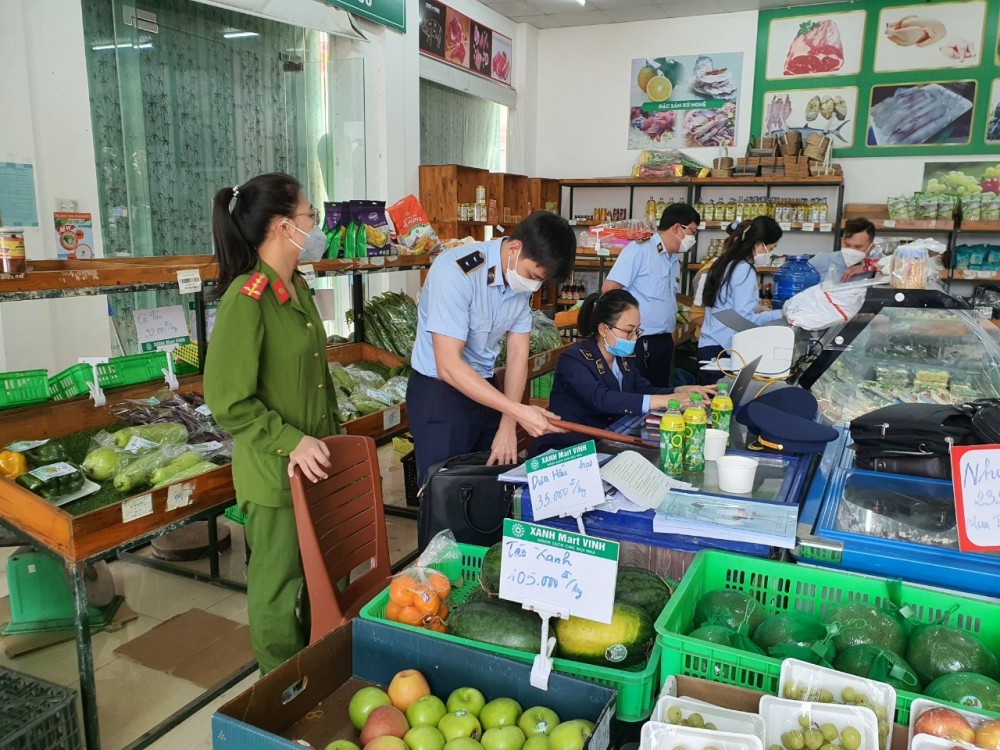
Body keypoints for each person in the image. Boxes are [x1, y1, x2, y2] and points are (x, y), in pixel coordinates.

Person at [204, 173, 339, 675]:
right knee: (277, 590)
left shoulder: (295, 287)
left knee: (314, 580)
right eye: (310, 216)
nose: (315, 225)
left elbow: (316, 380)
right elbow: (227, 401)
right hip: (274, 474)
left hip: (313, 466)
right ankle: (280, 691)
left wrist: (333, 443)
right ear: (284, 226)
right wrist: (292, 440)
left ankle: (311, 674)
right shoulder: (248, 298)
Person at [407, 212, 576, 483]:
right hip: (440, 395)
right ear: (514, 249)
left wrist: (508, 424)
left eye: (541, 281)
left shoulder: (519, 281)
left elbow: (519, 355)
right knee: (443, 495)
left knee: (484, 488)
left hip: (486, 391)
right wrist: (518, 411)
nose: (534, 286)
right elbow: (448, 365)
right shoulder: (456, 271)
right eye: (533, 275)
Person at [530, 290, 714, 457]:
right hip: (569, 448)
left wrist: (681, 390)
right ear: (603, 329)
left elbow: (645, 390)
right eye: (628, 331)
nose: (635, 338)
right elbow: (601, 399)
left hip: (606, 442)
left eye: (637, 331)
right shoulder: (574, 358)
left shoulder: (622, 359)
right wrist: (663, 400)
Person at [601, 203, 701, 388]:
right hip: (638, 342)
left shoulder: (673, 260)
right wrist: (624, 332)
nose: (692, 238)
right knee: (637, 397)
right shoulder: (640, 250)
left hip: (663, 342)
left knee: (660, 397)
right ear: (677, 228)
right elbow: (610, 290)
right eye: (692, 232)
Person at [698, 216, 785, 385]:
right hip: (723, 350)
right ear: (759, 244)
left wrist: (758, 308)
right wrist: (780, 314)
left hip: (709, 345)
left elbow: (725, 306)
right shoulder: (744, 270)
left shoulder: (725, 263)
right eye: (771, 248)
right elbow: (744, 321)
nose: (770, 254)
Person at [808, 217, 878, 283]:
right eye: (847, 245)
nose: (851, 250)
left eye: (858, 247)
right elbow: (798, 271)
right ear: (842, 241)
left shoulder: (875, 259)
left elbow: (887, 265)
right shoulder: (822, 259)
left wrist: (867, 266)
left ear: (871, 247)